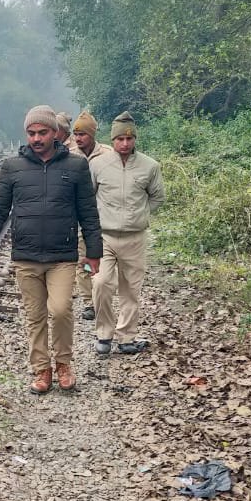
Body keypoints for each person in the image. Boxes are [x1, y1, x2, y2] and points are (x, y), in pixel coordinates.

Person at [0, 105, 102, 394]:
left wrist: (93, 252)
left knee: (59, 310)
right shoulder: (12, 168)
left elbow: (89, 212)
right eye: (31, 133)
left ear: (55, 133)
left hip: (62, 256)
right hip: (26, 256)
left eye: (42, 132)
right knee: (34, 315)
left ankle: (64, 364)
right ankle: (42, 370)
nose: (36, 138)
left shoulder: (75, 166)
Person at [90, 112, 165, 356]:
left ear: (135, 140)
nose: (125, 143)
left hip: (135, 237)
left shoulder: (150, 166)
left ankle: (126, 337)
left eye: (129, 139)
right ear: (112, 140)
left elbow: (157, 197)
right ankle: (103, 334)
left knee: (131, 289)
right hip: (105, 236)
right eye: (120, 139)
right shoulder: (98, 165)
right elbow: (89, 197)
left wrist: (139, 215)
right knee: (101, 284)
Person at [73, 110, 112, 320]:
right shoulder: (70, 155)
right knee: (83, 260)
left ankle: (103, 298)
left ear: (92, 134)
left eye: (83, 134)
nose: (78, 139)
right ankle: (89, 302)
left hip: (105, 218)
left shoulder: (108, 154)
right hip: (80, 220)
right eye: (76, 134)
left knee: (104, 261)